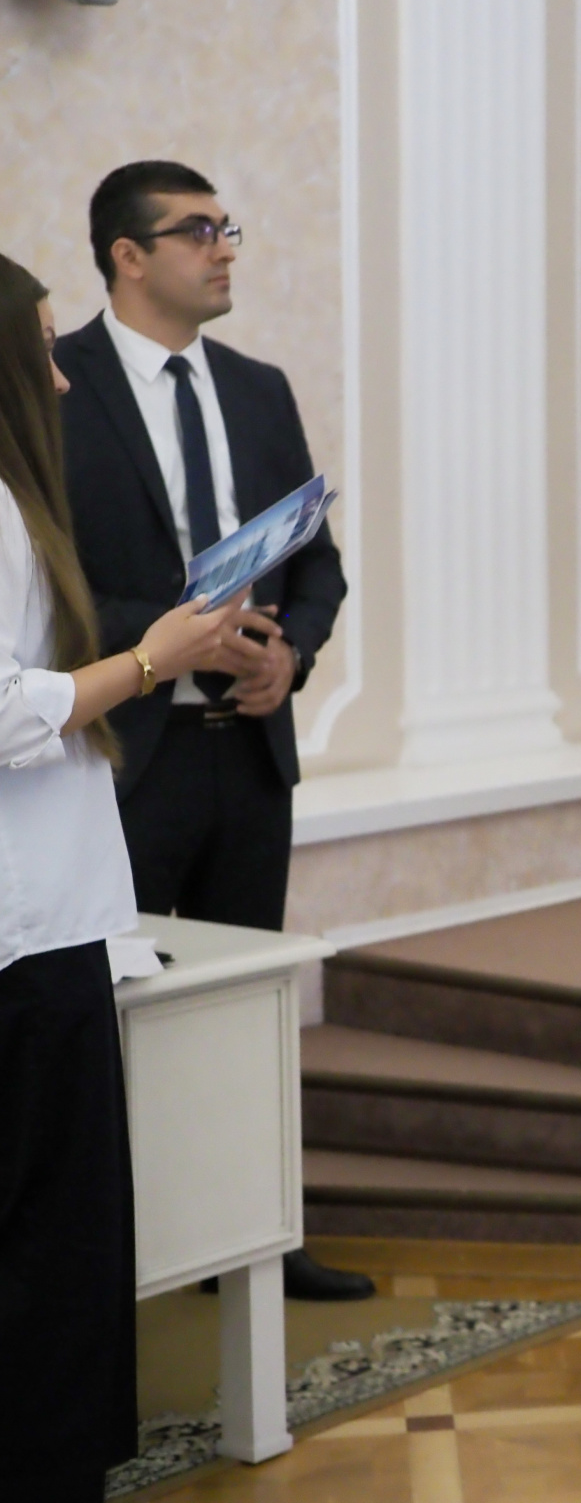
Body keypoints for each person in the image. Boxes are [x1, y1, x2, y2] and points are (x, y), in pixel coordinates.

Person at [55, 161, 368, 1303]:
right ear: (128, 256)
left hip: (248, 751)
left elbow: (317, 566)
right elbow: (49, 583)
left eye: (229, 227)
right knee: (118, 1012)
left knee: (247, 1008)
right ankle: (119, 1250)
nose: (224, 247)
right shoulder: (59, 385)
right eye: (197, 230)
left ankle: (257, 1244)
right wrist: (179, 639)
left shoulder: (258, 388)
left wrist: (290, 655)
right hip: (124, 755)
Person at [0, 253, 241, 1501]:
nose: (58, 376)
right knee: (52, 1241)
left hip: (42, 918)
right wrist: (151, 660)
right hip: (26, 931)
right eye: (41, 349)